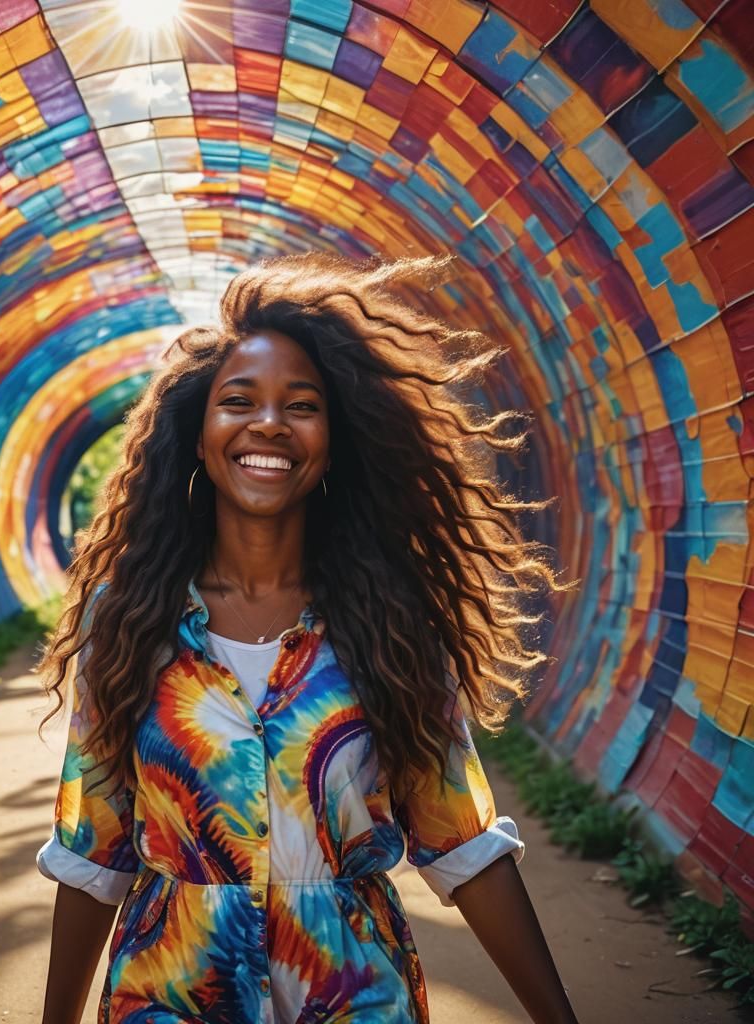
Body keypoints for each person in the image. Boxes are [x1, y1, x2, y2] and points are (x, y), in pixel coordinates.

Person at [34, 252, 579, 1024]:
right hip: (171, 996)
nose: (269, 423)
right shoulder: (127, 621)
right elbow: (93, 849)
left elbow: (460, 839)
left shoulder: (390, 625)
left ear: (331, 442)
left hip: (355, 1000)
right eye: (238, 401)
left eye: (301, 405)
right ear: (198, 436)